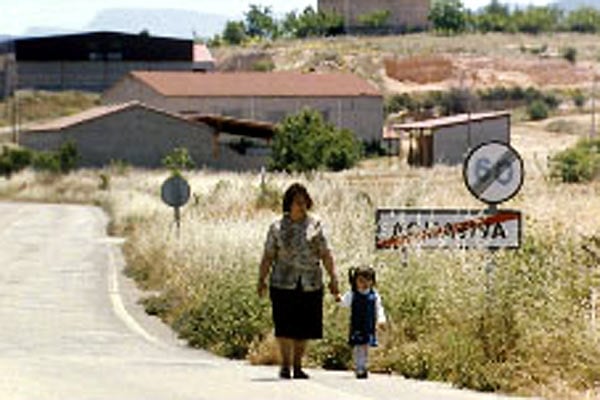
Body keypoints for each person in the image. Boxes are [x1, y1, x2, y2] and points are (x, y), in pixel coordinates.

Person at [258, 182, 340, 380]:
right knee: (285, 326)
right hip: (282, 282)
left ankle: (298, 365)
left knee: (305, 327)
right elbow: (268, 255)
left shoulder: (315, 225)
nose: (301, 206)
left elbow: (325, 253)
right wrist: (261, 279)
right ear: (289, 204)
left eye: (304, 202)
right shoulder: (277, 227)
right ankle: (285, 365)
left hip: (310, 282)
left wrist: (333, 277)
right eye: (297, 202)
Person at [338, 265, 386, 379]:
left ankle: (363, 366)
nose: (364, 284)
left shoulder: (374, 295)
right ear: (355, 282)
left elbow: (379, 308)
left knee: (365, 346)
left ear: (372, 281)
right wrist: (337, 297)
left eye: (368, 281)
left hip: (368, 325)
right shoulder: (353, 294)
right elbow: (344, 303)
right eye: (361, 281)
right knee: (358, 346)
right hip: (357, 324)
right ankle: (359, 367)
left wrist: (381, 320)